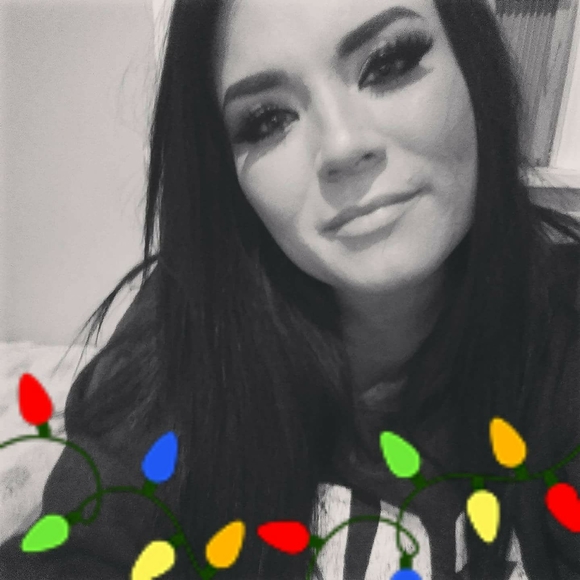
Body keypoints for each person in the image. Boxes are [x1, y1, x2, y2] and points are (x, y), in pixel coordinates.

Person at [2, 0, 580, 578]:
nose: (343, 146)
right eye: (267, 119)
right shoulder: (190, 323)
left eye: (388, 62)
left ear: (473, 63)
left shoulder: (564, 328)